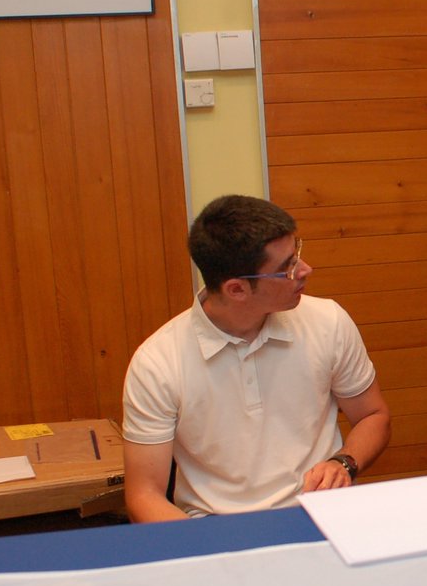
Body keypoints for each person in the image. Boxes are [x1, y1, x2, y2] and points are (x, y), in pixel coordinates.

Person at [122, 195, 391, 521]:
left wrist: (343, 462)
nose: (305, 270)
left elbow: (372, 416)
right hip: (214, 526)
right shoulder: (158, 362)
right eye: (286, 268)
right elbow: (143, 495)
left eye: (298, 254)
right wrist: (214, 553)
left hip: (319, 515)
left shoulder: (327, 321)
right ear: (236, 290)